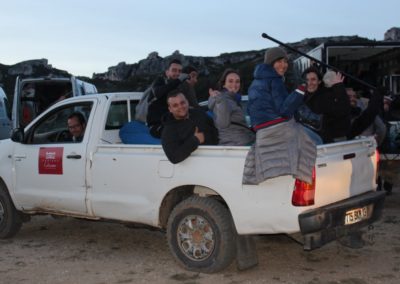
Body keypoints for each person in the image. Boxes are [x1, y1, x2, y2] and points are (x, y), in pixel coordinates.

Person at [243, 47, 317, 185]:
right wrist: (300, 91)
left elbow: (249, 110)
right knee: (314, 142)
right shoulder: (275, 80)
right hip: (278, 127)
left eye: (285, 62)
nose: (284, 65)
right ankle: (306, 178)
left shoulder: (255, 82)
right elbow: (284, 110)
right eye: (279, 61)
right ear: (271, 63)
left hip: (261, 130)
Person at [161, 90, 218, 164]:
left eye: (182, 102)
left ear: (187, 102)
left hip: (216, 159)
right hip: (195, 169)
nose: (180, 107)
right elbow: (173, 157)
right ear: (170, 109)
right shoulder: (169, 130)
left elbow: (215, 129)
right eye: (175, 105)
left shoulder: (199, 113)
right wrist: (195, 140)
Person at [146, 59, 194, 138]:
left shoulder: (179, 86)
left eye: (179, 71)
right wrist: (179, 80)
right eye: (174, 70)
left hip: (173, 122)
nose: (177, 73)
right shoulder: (160, 81)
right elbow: (158, 93)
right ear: (167, 72)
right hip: (157, 125)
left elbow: (188, 104)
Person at [302, 67, 351, 143]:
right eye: (307, 80)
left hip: (331, 142)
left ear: (319, 81)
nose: (309, 83)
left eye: (313, 79)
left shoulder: (326, 95)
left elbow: (344, 109)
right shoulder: (303, 96)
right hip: (312, 141)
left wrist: (338, 87)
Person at [208, 69, 255, 146]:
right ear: (224, 84)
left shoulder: (233, 100)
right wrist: (220, 101)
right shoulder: (222, 99)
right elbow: (222, 124)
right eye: (230, 81)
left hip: (241, 142)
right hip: (236, 144)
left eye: (237, 81)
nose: (234, 84)